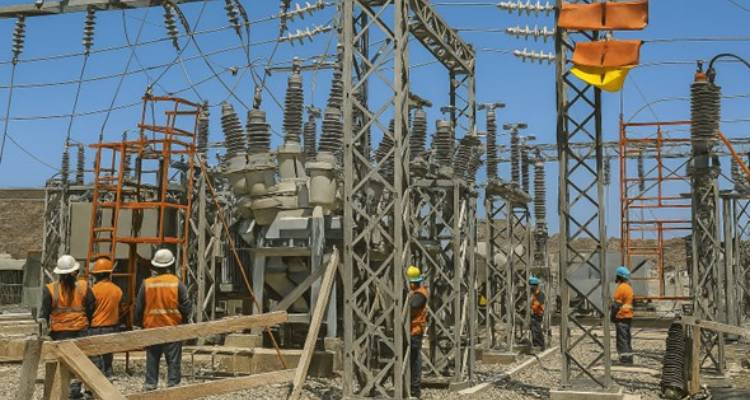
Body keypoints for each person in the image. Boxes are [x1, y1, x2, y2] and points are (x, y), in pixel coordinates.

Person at [39, 255, 95, 400]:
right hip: (81, 331)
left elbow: (44, 314)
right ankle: (80, 391)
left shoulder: (50, 289)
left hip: (60, 333)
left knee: (63, 364)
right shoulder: (84, 287)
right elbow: (91, 307)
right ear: (75, 272)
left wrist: (44, 333)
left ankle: (65, 392)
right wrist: (85, 322)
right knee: (82, 363)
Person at [134, 249, 191, 390]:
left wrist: (138, 325)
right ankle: (173, 387)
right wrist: (184, 322)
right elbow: (186, 306)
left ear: (155, 265)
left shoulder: (146, 284)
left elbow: (139, 307)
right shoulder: (177, 283)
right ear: (170, 265)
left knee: (152, 360)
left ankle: (150, 386)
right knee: (173, 362)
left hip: (152, 328)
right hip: (172, 329)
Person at [89, 257, 123, 378]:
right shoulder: (118, 290)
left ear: (97, 275)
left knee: (95, 357)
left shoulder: (93, 290)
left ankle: (97, 379)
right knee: (108, 355)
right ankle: (109, 375)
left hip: (95, 327)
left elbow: (89, 309)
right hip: (112, 327)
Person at [407, 265, 428, 399]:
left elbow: (412, 306)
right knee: (410, 360)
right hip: (410, 330)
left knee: (414, 360)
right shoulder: (416, 293)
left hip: (415, 331)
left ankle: (415, 389)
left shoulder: (420, 294)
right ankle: (409, 387)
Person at [612, 266, 634, 365]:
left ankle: (625, 359)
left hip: (621, 316)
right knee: (627, 338)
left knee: (622, 339)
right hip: (628, 316)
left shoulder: (621, 288)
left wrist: (612, 316)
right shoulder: (629, 287)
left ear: (619, 276)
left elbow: (616, 305)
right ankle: (629, 358)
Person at [529, 275, 545, 350]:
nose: (531, 287)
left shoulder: (540, 294)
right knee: (534, 329)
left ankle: (540, 345)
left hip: (538, 314)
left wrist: (530, 306)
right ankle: (536, 344)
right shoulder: (534, 294)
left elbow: (536, 305)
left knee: (537, 330)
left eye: (532, 286)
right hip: (534, 314)